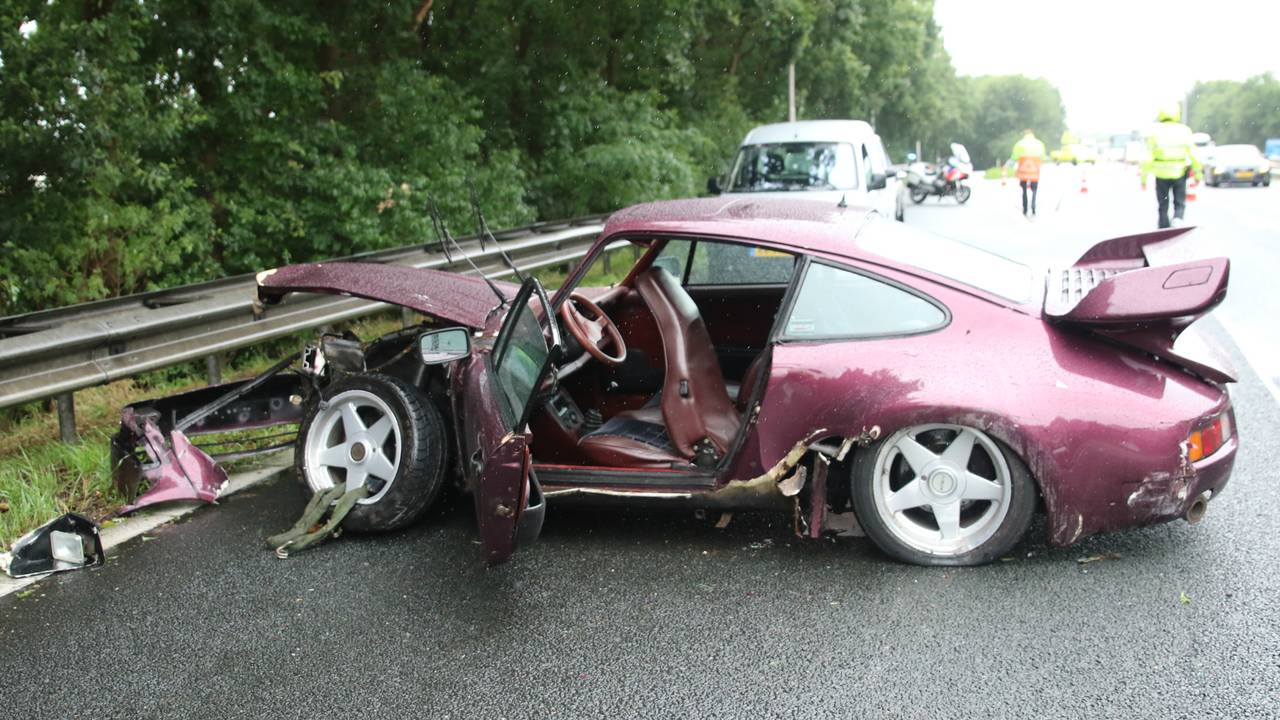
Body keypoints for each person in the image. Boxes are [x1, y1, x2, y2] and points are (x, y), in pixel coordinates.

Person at [1142, 104, 1201, 228]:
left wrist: (1144, 178)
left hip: (1161, 175)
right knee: (1179, 201)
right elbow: (1194, 154)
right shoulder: (1184, 131)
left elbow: (1148, 157)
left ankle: (1163, 226)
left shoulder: (1155, 133)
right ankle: (1178, 219)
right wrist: (1197, 173)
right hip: (1179, 173)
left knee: (1163, 204)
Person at [1010, 129, 1045, 216]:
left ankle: (1025, 208)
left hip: (1024, 170)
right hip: (1034, 170)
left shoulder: (1019, 144)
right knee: (1034, 189)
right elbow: (1042, 156)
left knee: (1024, 189)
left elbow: (1014, 157)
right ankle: (1033, 206)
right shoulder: (1039, 144)